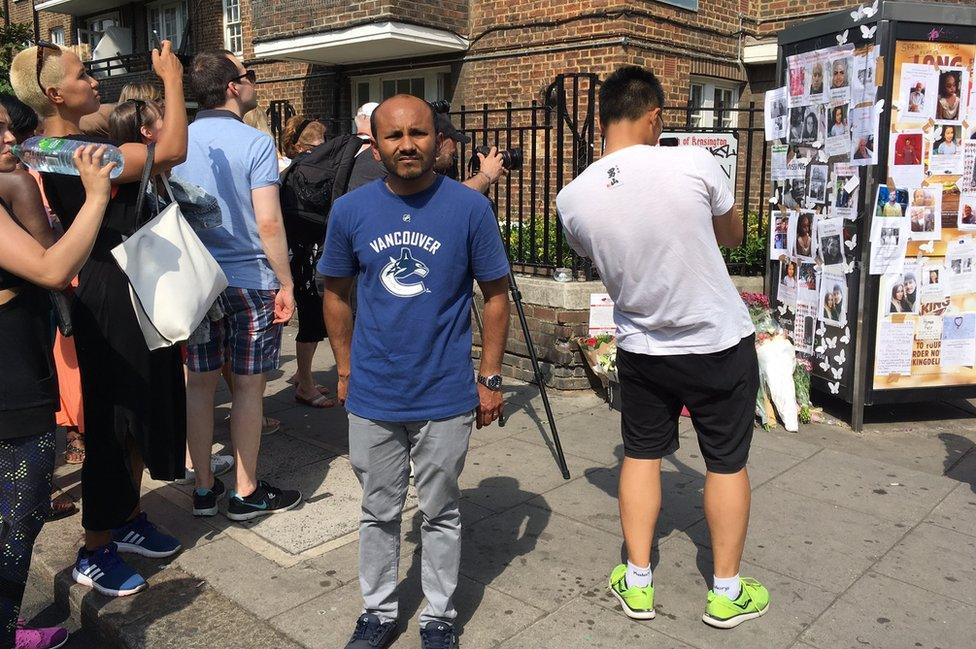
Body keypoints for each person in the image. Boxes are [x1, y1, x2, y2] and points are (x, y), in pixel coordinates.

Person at [556, 66, 769, 629]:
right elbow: (733, 235)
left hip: (643, 347)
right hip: (717, 341)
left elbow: (592, 252)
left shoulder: (572, 197)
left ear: (602, 119)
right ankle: (725, 591)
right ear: (654, 116)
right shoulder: (696, 163)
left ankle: (640, 580)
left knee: (642, 455)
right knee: (725, 463)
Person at [321, 94, 511, 649]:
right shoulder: (351, 211)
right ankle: (378, 612)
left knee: (441, 510)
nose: (407, 144)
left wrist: (491, 376)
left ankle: (439, 616)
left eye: (419, 133)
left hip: (446, 392)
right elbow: (335, 293)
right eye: (394, 135)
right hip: (375, 392)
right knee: (377, 510)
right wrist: (345, 368)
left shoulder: (469, 208)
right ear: (375, 146)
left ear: (438, 141)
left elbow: (495, 295)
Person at [12, 40, 188, 597]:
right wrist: (173, 79)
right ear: (53, 93)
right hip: (106, 290)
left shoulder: (81, 138)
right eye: (83, 74)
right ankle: (95, 546)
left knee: (141, 405)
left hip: (130, 280)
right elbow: (174, 148)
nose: (95, 82)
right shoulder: (60, 152)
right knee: (114, 417)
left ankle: (127, 516)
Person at [175, 50, 302, 522]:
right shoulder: (255, 142)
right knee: (249, 390)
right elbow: (269, 223)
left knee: (199, 387)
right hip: (250, 281)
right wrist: (286, 282)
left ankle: (204, 490)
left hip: (197, 283)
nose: (254, 84)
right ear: (232, 87)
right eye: (249, 76)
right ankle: (246, 492)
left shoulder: (177, 140)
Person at [0, 135, 114, 649]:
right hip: (12, 382)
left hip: (16, 370)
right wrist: (95, 197)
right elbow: (51, 269)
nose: (9, 137)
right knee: (14, 524)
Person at [279, 114, 336, 409]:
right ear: (302, 147)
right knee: (311, 323)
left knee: (313, 321)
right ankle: (304, 384)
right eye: (318, 144)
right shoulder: (302, 175)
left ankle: (304, 376)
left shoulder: (293, 174)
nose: (324, 148)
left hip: (302, 254)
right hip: (306, 256)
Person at [432, 112, 507, 192]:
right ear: (439, 141)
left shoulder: (438, 172)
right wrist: (485, 176)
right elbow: (453, 196)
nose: (452, 162)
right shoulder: (422, 172)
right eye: (452, 155)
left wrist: (476, 178)